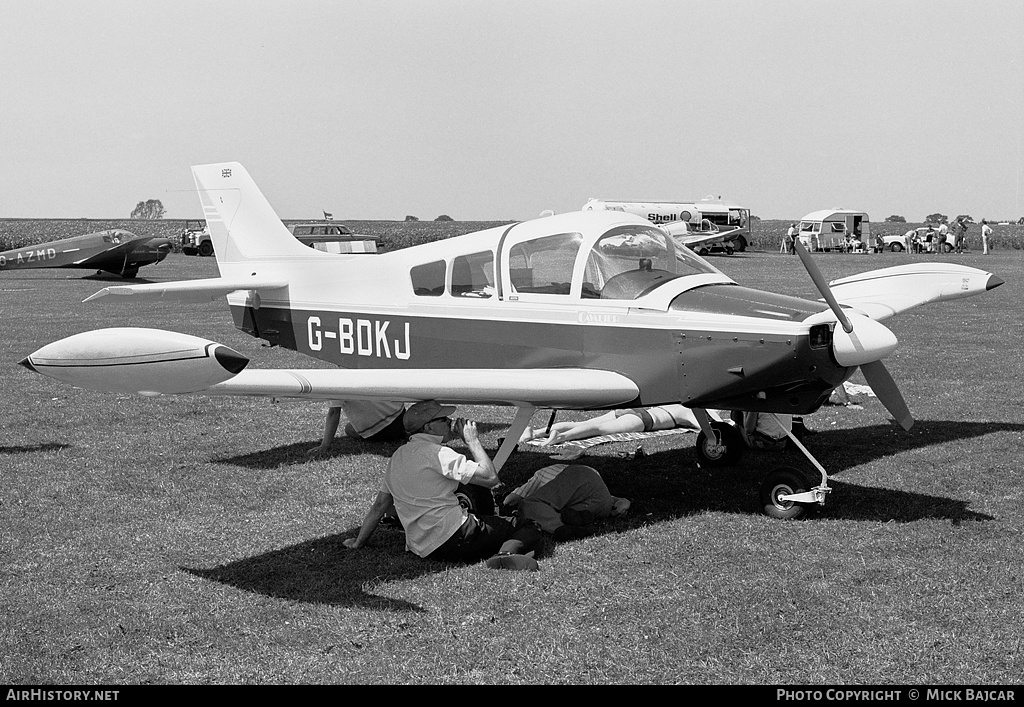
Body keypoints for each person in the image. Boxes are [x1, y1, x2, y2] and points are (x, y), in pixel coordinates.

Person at [343, 401, 542, 571]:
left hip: (421, 547)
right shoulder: (438, 453)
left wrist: (358, 542)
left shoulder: (398, 456)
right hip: (455, 537)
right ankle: (506, 554)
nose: (450, 423)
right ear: (428, 428)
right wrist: (472, 441)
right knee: (528, 525)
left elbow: (380, 506)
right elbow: (490, 478)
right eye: (444, 420)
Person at [501, 464, 630, 542]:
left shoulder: (539, 475)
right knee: (564, 509)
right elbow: (603, 495)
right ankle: (577, 520)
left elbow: (511, 499)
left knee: (527, 505)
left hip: (576, 476)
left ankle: (562, 527)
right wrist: (623, 501)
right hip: (599, 501)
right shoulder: (558, 475)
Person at [519, 405, 723, 446]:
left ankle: (536, 432)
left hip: (637, 409)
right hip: (645, 420)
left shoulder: (681, 401)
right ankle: (560, 437)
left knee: (585, 422)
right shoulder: (692, 412)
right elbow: (710, 427)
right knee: (598, 431)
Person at [307, 400, 407, 456]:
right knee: (349, 428)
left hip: (380, 432)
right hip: (401, 416)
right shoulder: (369, 366)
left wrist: (325, 445)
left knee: (349, 429)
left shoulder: (338, 380)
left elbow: (334, 412)